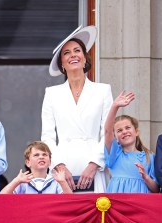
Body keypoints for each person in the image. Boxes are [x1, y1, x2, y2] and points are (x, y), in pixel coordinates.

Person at [41, 26, 113, 193]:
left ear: (84, 58)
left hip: (94, 166)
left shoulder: (103, 90)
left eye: (77, 50)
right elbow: (48, 136)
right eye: (66, 53)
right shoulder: (52, 94)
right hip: (63, 168)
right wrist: (59, 165)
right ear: (62, 64)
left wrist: (95, 164)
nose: (72, 55)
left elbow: (108, 133)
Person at [104, 91, 159, 193]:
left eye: (127, 128)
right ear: (115, 137)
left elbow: (156, 189)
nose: (124, 132)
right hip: (118, 203)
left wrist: (145, 177)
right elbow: (107, 131)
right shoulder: (115, 155)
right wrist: (114, 107)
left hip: (140, 203)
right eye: (119, 131)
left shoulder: (149, 157)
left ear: (136, 131)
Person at [0, 141, 72, 194]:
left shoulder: (56, 181)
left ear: (50, 162)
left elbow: (70, 202)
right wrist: (16, 181)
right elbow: (1, 197)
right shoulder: (23, 182)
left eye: (44, 155)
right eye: (36, 155)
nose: (41, 157)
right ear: (28, 162)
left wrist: (63, 182)